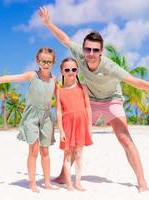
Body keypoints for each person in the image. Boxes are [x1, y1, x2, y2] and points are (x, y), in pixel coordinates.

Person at [38, 6, 149, 192]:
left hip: (112, 101)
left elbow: (137, 82)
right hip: (90, 101)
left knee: (125, 138)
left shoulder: (110, 66)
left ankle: (141, 181)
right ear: (84, 49)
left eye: (95, 50)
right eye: (88, 49)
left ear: (101, 52)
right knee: (74, 138)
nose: (91, 53)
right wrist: (48, 23)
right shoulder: (80, 54)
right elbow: (64, 39)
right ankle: (64, 175)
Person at [0, 47, 58, 193]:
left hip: (46, 117)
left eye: (49, 62)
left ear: (53, 62)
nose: (46, 64)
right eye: (43, 61)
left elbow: (59, 96)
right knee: (33, 150)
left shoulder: (54, 79)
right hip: (31, 116)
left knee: (45, 151)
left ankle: (47, 182)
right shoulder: (32, 75)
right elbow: (9, 78)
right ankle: (32, 183)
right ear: (38, 61)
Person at [56, 57, 93, 191]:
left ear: (77, 71)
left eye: (74, 69)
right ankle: (69, 184)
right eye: (67, 69)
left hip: (81, 124)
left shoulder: (83, 87)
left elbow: (88, 107)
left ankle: (77, 182)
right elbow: (59, 111)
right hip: (67, 124)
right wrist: (61, 130)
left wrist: (89, 126)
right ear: (62, 71)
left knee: (79, 154)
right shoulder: (59, 90)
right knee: (67, 155)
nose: (71, 72)